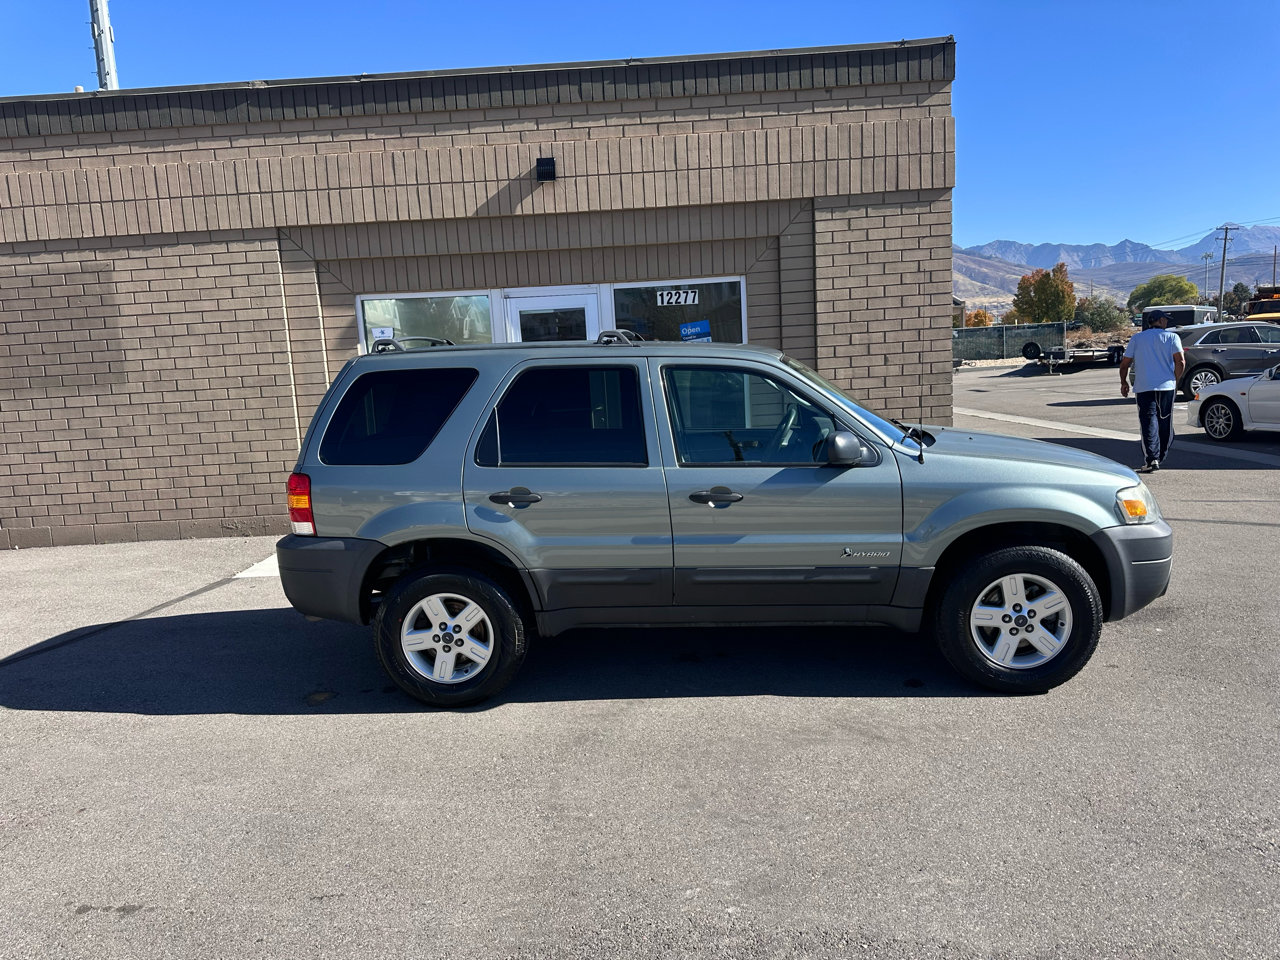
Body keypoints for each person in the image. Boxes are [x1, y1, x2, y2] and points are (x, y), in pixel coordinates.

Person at [1118, 309, 1185, 473]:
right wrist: (1175, 379)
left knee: (1148, 422)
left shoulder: (1137, 338)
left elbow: (1125, 363)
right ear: (1160, 321)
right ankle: (1160, 455)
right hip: (1166, 386)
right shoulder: (1172, 337)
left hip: (1144, 386)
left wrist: (1123, 382)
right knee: (1165, 421)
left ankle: (1152, 458)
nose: (1167, 322)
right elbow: (1180, 361)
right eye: (1165, 319)